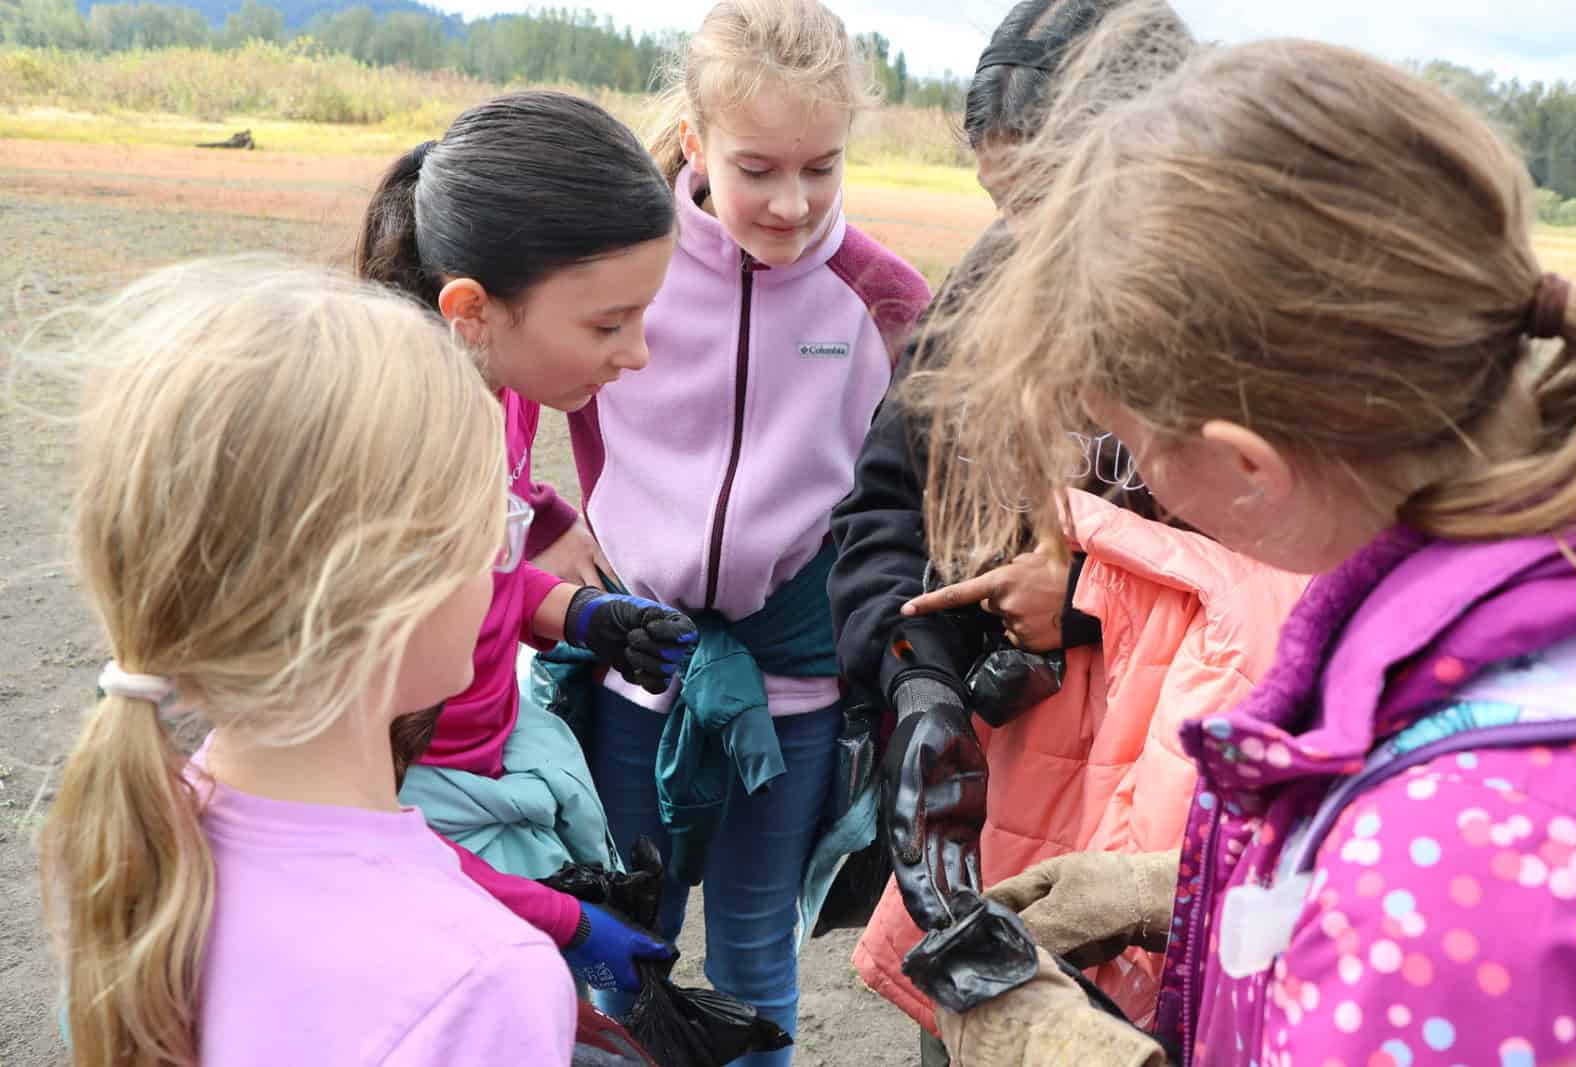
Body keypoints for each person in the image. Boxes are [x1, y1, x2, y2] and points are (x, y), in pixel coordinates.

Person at [915, 5, 1576, 1061]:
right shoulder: (1509, 609)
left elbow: (1428, 920)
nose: (1135, 470)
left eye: (1132, 439)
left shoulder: (1436, 873)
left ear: (1245, 464)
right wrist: (1188, 884)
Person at [835, 2, 1304, 1061]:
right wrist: (912, 667)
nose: (1032, 247)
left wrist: (1089, 598)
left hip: (1193, 831)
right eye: (1009, 208)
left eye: (1061, 209)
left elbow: (1310, 590)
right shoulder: (987, 286)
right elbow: (887, 504)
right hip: (1012, 813)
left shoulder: (1271, 331)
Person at [37, 258, 576, 1066]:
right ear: (395, 587)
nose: (503, 564)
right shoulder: (483, 980)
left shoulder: (143, 835)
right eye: (492, 523)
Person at [563, 1, 930, 1060]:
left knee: (758, 950)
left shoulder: (884, 297)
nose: (792, 200)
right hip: (636, 665)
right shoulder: (626, 266)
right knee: (625, 940)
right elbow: (533, 392)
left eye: (822, 166)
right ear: (694, 143)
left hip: (795, 694)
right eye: (757, 166)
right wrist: (556, 527)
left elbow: (914, 479)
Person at [356, 89, 694, 996]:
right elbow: (354, 809)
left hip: (487, 745)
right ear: (473, 309)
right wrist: (553, 913)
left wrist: (581, 614)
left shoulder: (496, 392)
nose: (638, 354)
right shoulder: (386, 466)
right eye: (607, 323)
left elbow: (492, 578)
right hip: (424, 797)